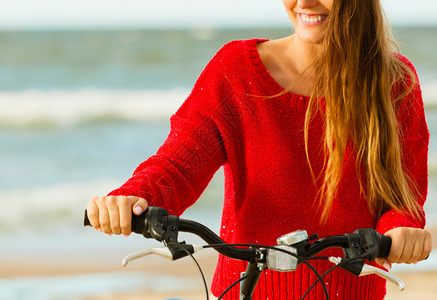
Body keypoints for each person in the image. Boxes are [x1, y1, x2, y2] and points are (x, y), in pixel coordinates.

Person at [86, 0, 432, 299]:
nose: (304, 2)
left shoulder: (395, 83)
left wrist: (401, 232)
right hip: (242, 291)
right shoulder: (237, 70)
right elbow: (178, 165)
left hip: (350, 292)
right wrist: (133, 196)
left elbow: (403, 198)